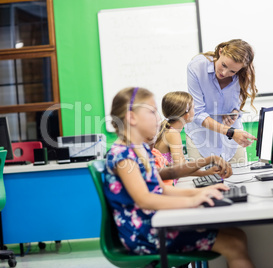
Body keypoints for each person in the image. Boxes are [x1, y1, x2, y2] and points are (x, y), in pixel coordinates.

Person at [105, 86, 254, 268]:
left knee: (238, 234)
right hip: (145, 234)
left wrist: (204, 192)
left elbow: (162, 188)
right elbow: (145, 199)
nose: (159, 118)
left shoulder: (140, 150)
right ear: (131, 118)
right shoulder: (123, 156)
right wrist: (193, 201)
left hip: (155, 223)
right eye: (152, 112)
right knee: (234, 244)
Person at [185, 39, 258, 164]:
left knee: (242, 178)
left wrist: (235, 112)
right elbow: (197, 114)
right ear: (220, 52)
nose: (224, 73)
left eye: (232, 71)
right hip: (201, 139)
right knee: (203, 182)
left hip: (232, 142)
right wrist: (230, 132)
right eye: (224, 65)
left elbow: (237, 104)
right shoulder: (196, 67)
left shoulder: (244, 76)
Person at [155, 91, 223, 179]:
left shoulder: (167, 129)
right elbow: (181, 168)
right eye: (193, 108)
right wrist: (205, 173)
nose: (195, 111)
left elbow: (181, 165)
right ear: (187, 115)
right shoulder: (173, 134)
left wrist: (205, 172)